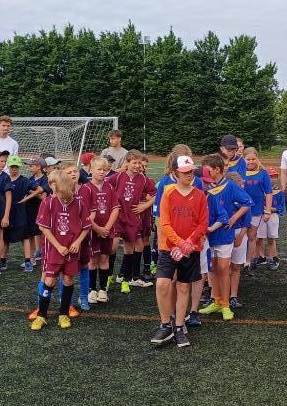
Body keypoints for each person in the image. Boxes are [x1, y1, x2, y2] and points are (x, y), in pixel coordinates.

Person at [151, 155, 208, 349]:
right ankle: (165, 324)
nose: (189, 175)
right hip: (169, 248)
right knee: (162, 284)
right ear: (176, 173)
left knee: (184, 287)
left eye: (191, 171)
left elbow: (202, 224)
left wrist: (188, 243)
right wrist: (178, 243)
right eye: (185, 172)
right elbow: (164, 223)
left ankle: (179, 326)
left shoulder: (200, 195)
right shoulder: (168, 193)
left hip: (190, 249)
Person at [31, 166, 92, 331]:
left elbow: (86, 227)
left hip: (72, 250)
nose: (63, 197)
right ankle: (41, 315)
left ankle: (63, 314)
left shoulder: (79, 203)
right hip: (54, 250)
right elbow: (43, 227)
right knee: (49, 280)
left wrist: (77, 242)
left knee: (68, 280)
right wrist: (58, 245)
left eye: (67, 195)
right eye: (59, 193)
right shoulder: (48, 202)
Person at [199, 154, 251, 320]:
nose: (205, 172)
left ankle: (226, 305)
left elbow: (248, 202)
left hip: (224, 233)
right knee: (212, 268)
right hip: (208, 234)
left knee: (223, 268)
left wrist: (234, 218)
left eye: (208, 169)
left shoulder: (230, 185)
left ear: (217, 169)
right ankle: (216, 301)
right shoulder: (206, 186)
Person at [113, 150, 156, 291]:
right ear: (127, 163)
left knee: (130, 247)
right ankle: (109, 279)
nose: (138, 166)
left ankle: (128, 279)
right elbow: (104, 186)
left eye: (139, 163)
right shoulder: (119, 176)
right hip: (117, 217)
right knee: (112, 248)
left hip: (133, 218)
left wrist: (145, 205)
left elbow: (157, 194)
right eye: (134, 162)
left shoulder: (143, 179)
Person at [82, 155, 121, 306]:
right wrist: (98, 229)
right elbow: (84, 214)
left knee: (104, 259)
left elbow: (115, 209)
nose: (102, 172)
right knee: (92, 260)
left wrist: (107, 228)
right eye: (99, 169)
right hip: (92, 231)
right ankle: (92, 289)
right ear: (91, 170)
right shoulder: (86, 189)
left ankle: (103, 290)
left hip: (107, 230)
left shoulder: (109, 187)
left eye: (104, 170)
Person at [240, 147, 273, 277]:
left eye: (253, 159)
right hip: (240, 210)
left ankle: (248, 262)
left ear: (257, 159)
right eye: (248, 159)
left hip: (256, 210)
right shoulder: (239, 173)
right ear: (243, 159)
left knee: (252, 236)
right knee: (240, 236)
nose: (251, 161)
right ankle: (238, 261)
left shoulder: (263, 174)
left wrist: (268, 210)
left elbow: (268, 192)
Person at [5, 156, 35, 272]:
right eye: (12, 167)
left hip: (20, 213)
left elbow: (39, 189)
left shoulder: (24, 180)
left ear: (19, 167)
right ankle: (2, 261)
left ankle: (28, 261)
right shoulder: (5, 179)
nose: (14, 169)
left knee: (24, 237)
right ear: (8, 167)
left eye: (16, 167)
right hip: (7, 213)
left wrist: (27, 198)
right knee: (5, 238)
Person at [256, 173, 285, 271]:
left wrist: (270, 209)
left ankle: (272, 258)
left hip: (272, 216)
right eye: (270, 177)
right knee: (259, 238)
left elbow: (281, 208)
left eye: (274, 177)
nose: (272, 179)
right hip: (261, 215)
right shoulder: (260, 190)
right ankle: (261, 257)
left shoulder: (279, 192)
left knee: (271, 239)